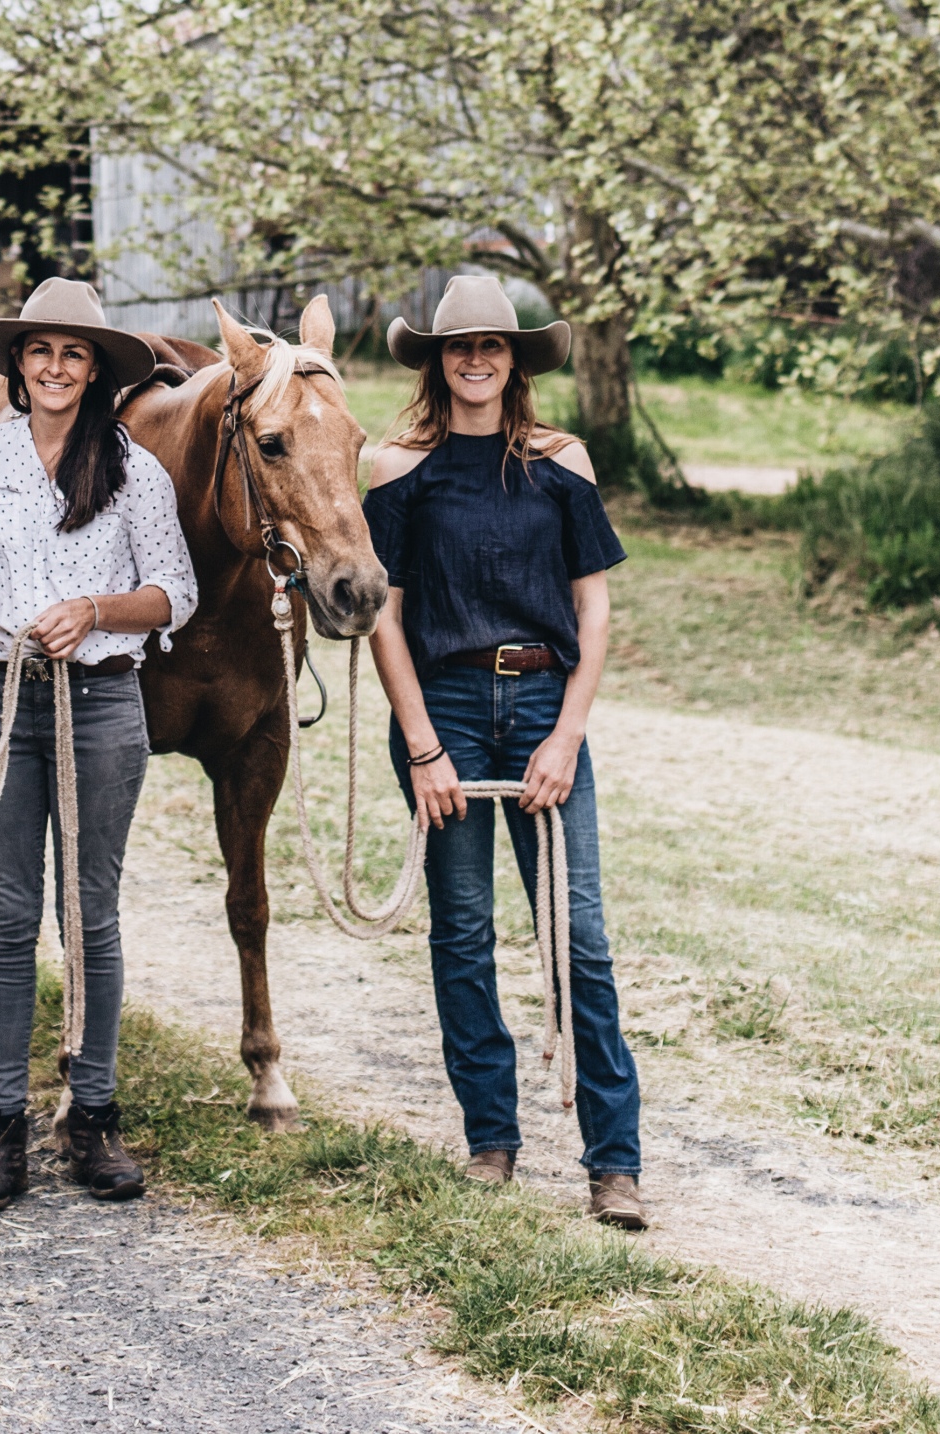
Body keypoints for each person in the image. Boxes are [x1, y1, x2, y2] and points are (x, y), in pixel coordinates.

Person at [363, 275, 647, 1230]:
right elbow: (384, 619)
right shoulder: (397, 468)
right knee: (464, 932)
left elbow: (593, 607)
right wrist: (422, 745)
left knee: (579, 935)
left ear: (516, 358)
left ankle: (615, 1162)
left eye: (493, 345)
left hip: (540, 704)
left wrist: (566, 734)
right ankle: (492, 1140)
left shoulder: (562, 462)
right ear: (437, 361)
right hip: (443, 701)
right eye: (459, 347)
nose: (477, 359)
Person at [0, 278, 198, 1213]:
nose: (54, 367)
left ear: (95, 372)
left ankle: (92, 1117)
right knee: (5, 915)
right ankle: (0, 1128)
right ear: (18, 364)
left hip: (100, 704)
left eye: (73, 354)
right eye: (40, 351)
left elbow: (175, 593)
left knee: (90, 914)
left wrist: (94, 609)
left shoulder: (135, 472)